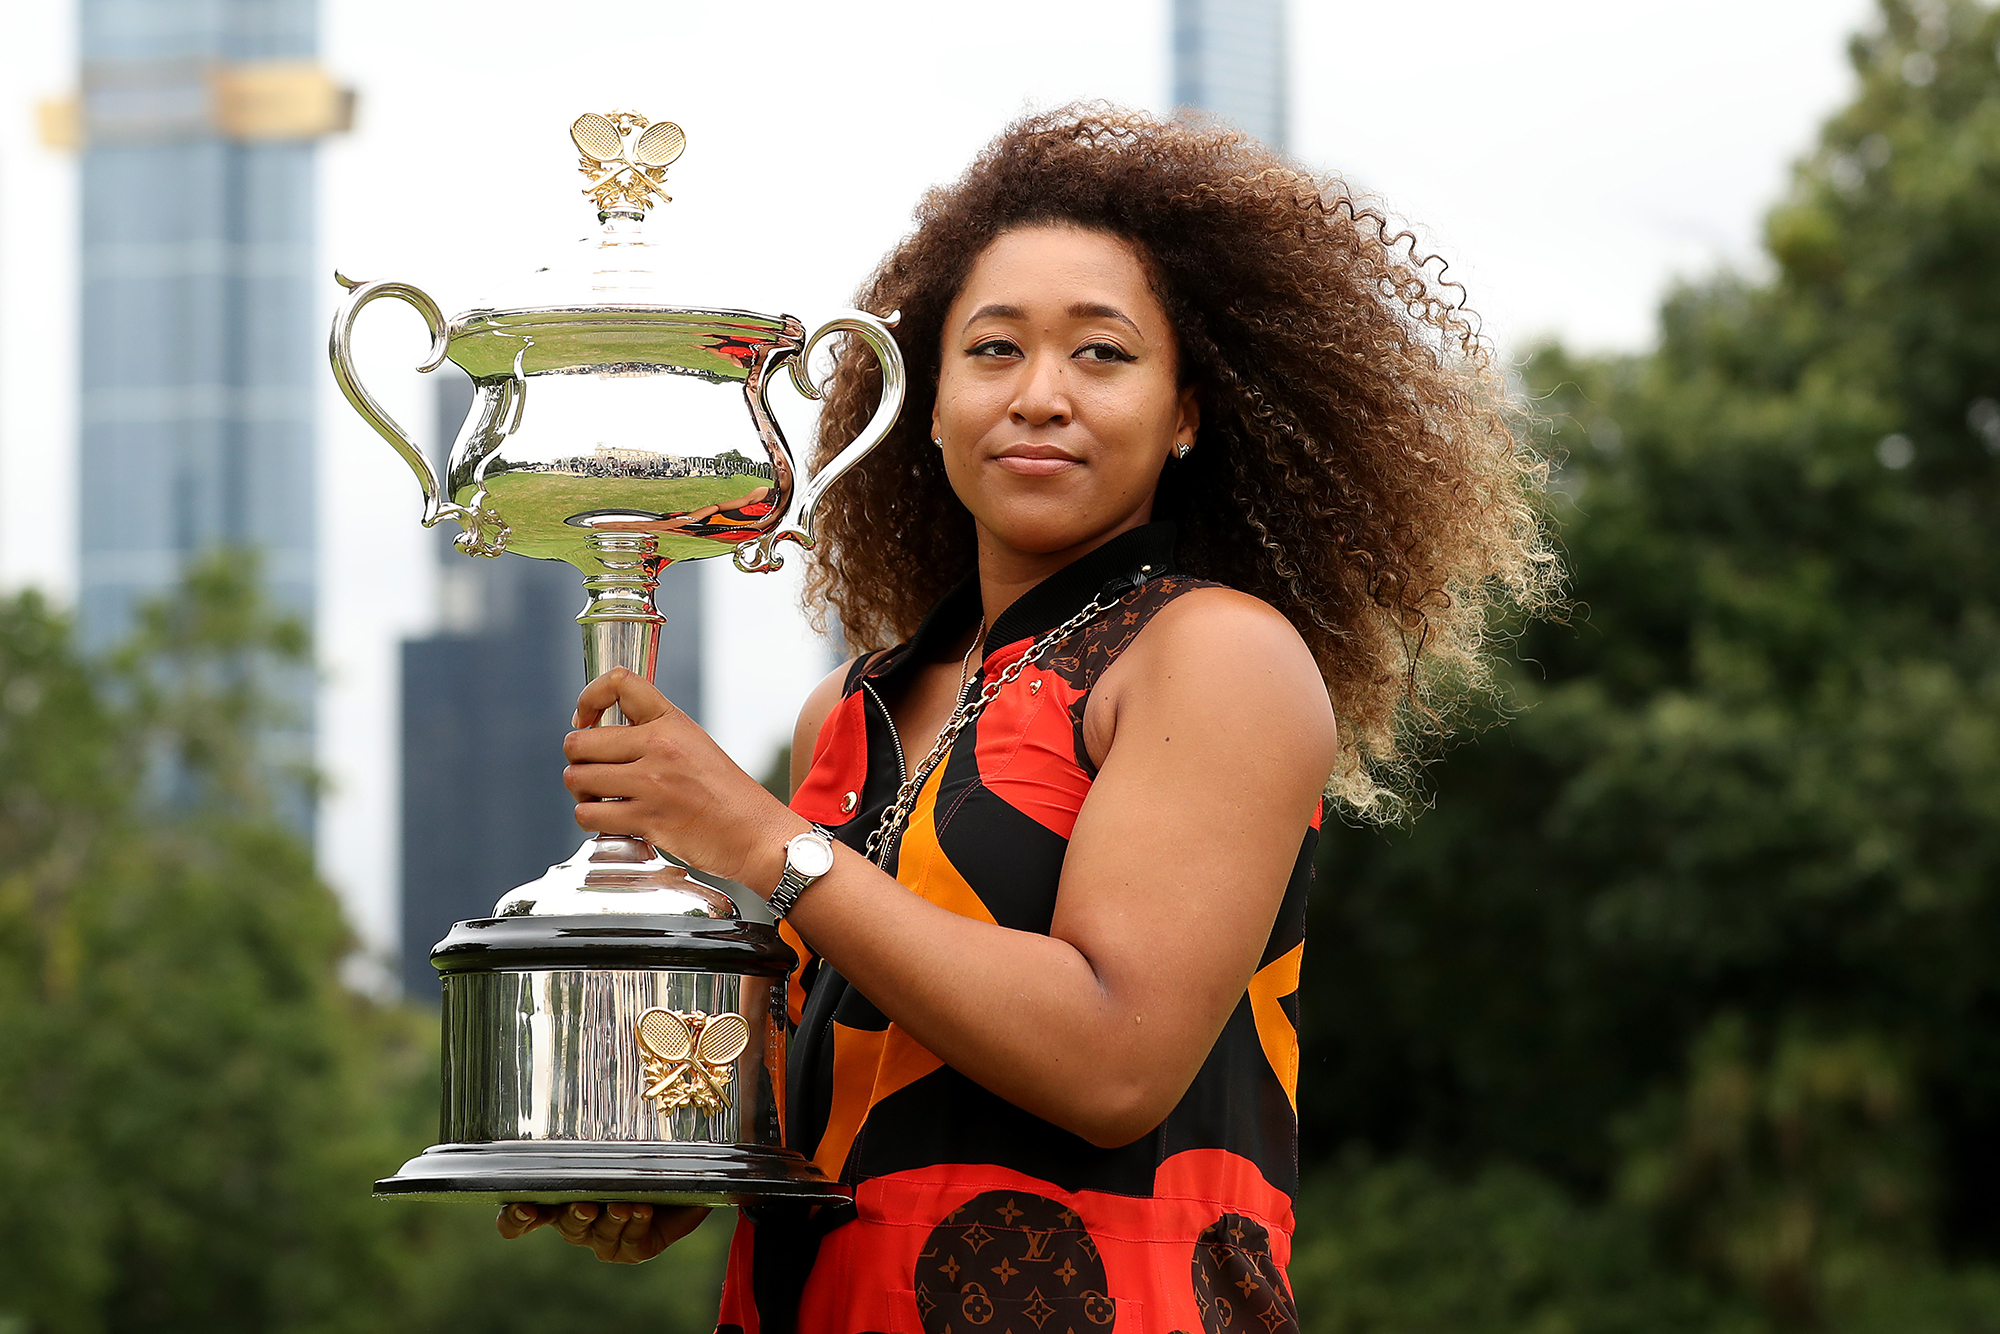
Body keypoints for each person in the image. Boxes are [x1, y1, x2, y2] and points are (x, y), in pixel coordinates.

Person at [496, 106, 1552, 1333]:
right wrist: (670, 1165)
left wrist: (754, 837)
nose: (1040, 394)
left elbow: (1114, 1060)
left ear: (1186, 411)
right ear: (928, 402)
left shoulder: (1212, 654)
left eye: (1101, 355)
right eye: (992, 350)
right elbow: (828, 1084)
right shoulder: (853, 705)